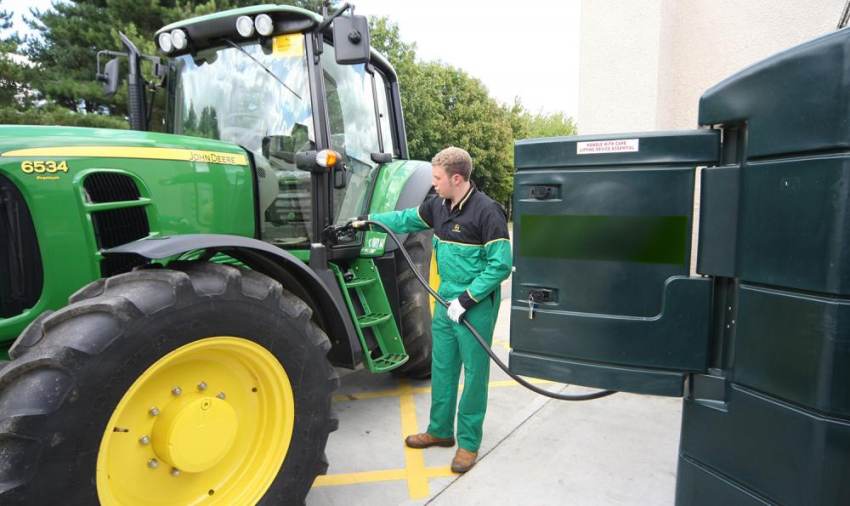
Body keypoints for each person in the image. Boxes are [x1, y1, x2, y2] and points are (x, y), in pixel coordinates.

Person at [353, 146, 512, 473]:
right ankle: (440, 431)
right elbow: (405, 218)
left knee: (475, 375)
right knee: (442, 368)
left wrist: (467, 300)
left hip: (474, 305)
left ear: (457, 178)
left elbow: (500, 266)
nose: (434, 183)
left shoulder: (487, 212)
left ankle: (468, 443)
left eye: (438, 178)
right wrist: (369, 221)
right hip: (444, 301)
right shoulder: (438, 206)